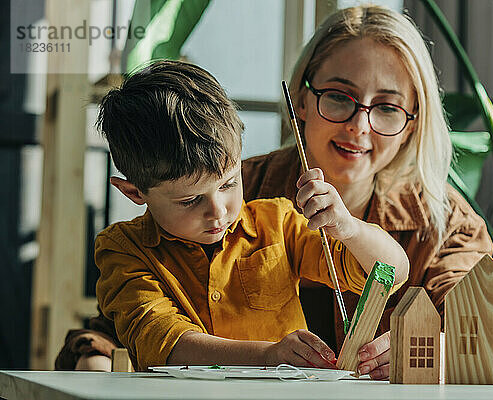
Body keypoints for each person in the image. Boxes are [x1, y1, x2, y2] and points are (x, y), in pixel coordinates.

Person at [56, 5, 492, 379]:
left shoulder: (447, 223)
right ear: (299, 99)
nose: (359, 126)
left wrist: (432, 348)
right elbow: (126, 329)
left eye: (387, 106)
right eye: (339, 97)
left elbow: (485, 326)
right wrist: (94, 359)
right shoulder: (233, 185)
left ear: (413, 121)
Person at [82, 59, 408, 371]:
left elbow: (391, 273)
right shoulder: (122, 249)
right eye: (190, 200)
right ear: (135, 193)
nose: (218, 210)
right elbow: (166, 343)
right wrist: (269, 355)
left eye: (229, 183)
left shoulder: (277, 222)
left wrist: (348, 228)